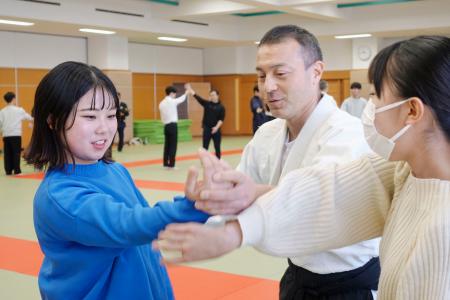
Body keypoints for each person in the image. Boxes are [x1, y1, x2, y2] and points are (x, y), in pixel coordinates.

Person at [157, 35, 450, 299]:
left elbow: (328, 205)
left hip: (347, 283)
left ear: (412, 110)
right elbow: (328, 192)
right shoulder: (401, 171)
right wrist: (232, 199)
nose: (369, 108)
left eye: (376, 96)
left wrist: (235, 231)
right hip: (299, 277)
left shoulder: (441, 228)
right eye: (262, 75)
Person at [23, 61, 211, 300]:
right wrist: (193, 206)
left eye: (111, 115)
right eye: (90, 116)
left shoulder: (116, 170)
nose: (104, 128)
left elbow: (144, 241)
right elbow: (129, 225)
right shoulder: (59, 196)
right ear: (53, 121)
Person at [0, 91, 33, 175]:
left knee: (7, 153)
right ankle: (17, 170)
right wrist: (31, 122)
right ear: (13, 99)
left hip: (6, 135)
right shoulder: (19, 110)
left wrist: (1, 132)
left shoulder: (2, 111)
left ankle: (8, 170)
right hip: (16, 135)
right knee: (16, 152)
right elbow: (30, 118)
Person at [159, 84, 191, 169]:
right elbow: (181, 99)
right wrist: (187, 92)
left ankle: (165, 163)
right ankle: (171, 165)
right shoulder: (172, 101)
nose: (175, 95)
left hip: (166, 126)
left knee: (167, 145)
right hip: (173, 126)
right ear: (171, 93)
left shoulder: (161, 103)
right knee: (173, 145)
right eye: (174, 93)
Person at [192, 88, 225, 159]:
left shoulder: (221, 107)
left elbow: (221, 119)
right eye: (210, 95)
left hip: (216, 129)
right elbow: (198, 98)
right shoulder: (207, 104)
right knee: (205, 147)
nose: (212, 96)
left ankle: (218, 161)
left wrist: (216, 127)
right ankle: (204, 162)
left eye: (213, 95)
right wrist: (191, 90)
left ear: (217, 95)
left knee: (217, 147)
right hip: (207, 128)